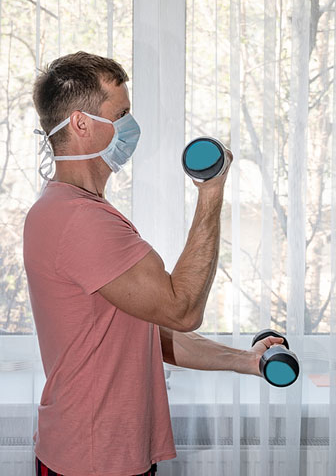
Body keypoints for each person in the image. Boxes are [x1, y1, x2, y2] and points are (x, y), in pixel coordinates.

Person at [23, 51, 284, 476]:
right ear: (82, 124)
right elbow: (182, 309)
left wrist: (244, 360)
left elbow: (145, 333)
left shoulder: (66, 209)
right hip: (94, 461)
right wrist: (211, 191)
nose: (130, 125)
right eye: (121, 113)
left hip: (103, 453)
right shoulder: (80, 220)